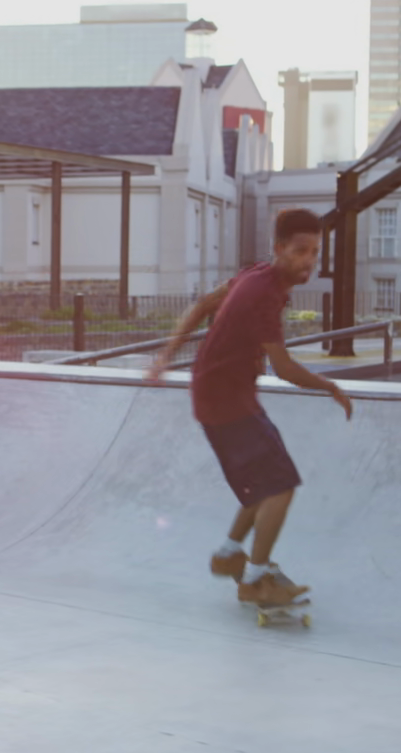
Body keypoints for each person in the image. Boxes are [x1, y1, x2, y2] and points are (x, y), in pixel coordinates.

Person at [148, 208, 353, 607]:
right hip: (225, 401)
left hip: (225, 395)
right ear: (279, 248)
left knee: (264, 482)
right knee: (281, 486)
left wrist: (165, 356)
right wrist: (330, 387)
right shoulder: (264, 294)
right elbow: (285, 368)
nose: (308, 261)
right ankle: (255, 580)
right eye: (300, 251)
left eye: (315, 252)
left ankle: (229, 555)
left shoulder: (254, 275)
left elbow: (203, 304)